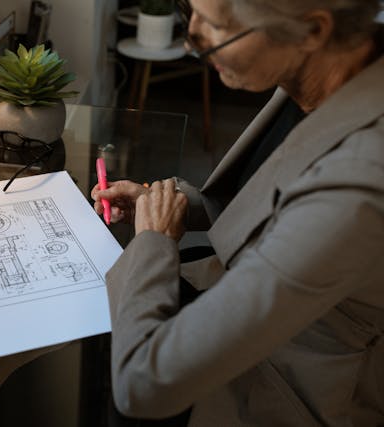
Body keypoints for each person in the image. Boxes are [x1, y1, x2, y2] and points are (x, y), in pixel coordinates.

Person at [91, 0, 384, 425]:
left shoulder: (360, 182)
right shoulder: (333, 66)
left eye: (215, 25)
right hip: (229, 296)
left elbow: (145, 384)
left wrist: (154, 239)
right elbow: (276, 202)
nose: (193, 40)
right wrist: (178, 209)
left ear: (313, 31)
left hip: (275, 382)